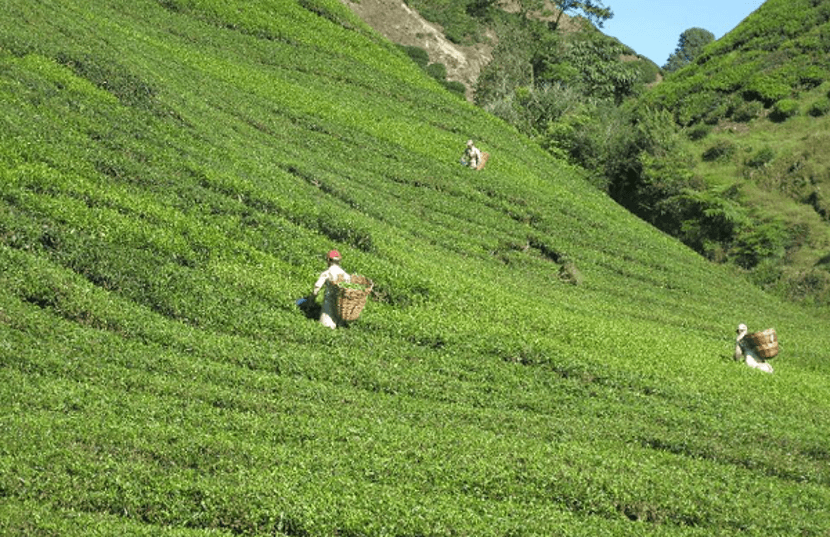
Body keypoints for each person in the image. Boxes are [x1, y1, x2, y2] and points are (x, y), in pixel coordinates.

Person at [311, 249, 350, 329]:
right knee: (339, 327)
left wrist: (311, 299)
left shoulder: (327, 272)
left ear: (328, 260)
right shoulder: (345, 275)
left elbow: (317, 286)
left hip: (328, 303)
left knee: (326, 326)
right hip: (341, 304)